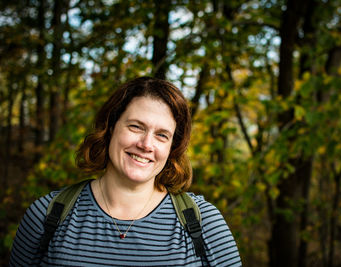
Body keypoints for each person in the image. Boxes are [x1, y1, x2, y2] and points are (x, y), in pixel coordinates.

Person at [10, 76, 242, 266]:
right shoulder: (46, 215)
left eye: (162, 135)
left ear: (172, 147)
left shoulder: (203, 223)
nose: (146, 144)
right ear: (110, 127)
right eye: (135, 126)